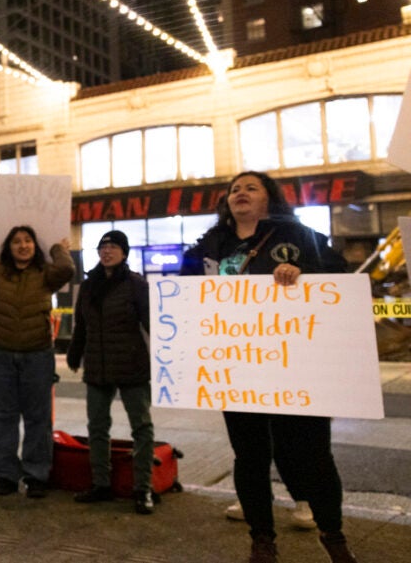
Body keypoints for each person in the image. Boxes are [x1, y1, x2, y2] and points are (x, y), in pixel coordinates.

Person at [181, 171, 356, 563]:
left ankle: (334, 536)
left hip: (298, 368)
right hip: (238, 369)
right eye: (233, 190)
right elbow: (185, 293)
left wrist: (304, 277)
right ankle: (262, 540)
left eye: (250, 188)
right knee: (251, 456)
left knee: (313, 455)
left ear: (269, 198)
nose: (239, 193)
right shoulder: (210, 244)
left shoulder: (299, 236)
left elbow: (339, 281)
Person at [0, 226, 74, 498]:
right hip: (1, 354)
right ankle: (5, 476)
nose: (22, 246)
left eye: (27, 241)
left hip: (38, 354)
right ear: (9, 247)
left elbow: (67, 270)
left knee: (38, 418)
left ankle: (36, 476)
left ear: (35, 246)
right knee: (3, 417)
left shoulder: (46, 274)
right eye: (16, 242)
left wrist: (58, 249)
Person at [66, 230, 155, 514]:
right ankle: (101, 484)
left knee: (141, 427)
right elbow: (81, 324)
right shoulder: (89, 285)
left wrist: (170, 358)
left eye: (114, 246)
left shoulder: (136, 284)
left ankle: (143, 488)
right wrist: (74, 353)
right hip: (98, 365)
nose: (107, 251)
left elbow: (152, 323)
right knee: (97, 428)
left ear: (124, 252)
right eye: (103, 246)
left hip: (131, 364)